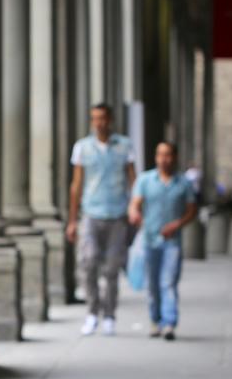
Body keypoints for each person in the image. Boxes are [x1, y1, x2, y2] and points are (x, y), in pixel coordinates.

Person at [66, 103, 137, 336]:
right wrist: (72, 220)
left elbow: (132, 180)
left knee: (112, 268)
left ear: (111, 119)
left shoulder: (124, 146)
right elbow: (76, 186)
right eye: (95, 118)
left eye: (103, 118)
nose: (99, 123)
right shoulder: (82, 147)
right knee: (88, 262)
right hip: (91, 212)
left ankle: (110, 315)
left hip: (117, 213)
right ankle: (91, 311)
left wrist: (135, 208)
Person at [128, 142, 197, 341]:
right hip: (150, 239)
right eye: (160, 155)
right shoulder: (145, 180)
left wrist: (178, 224)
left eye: (167, 155)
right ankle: (155, 319)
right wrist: (134, 214)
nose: (163, 159)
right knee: (152, 284)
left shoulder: (183, 183)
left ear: (174, 157)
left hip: (172, 241)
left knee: (168, 282)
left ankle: (169, 322)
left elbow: (192, 210)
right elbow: (135, 204)